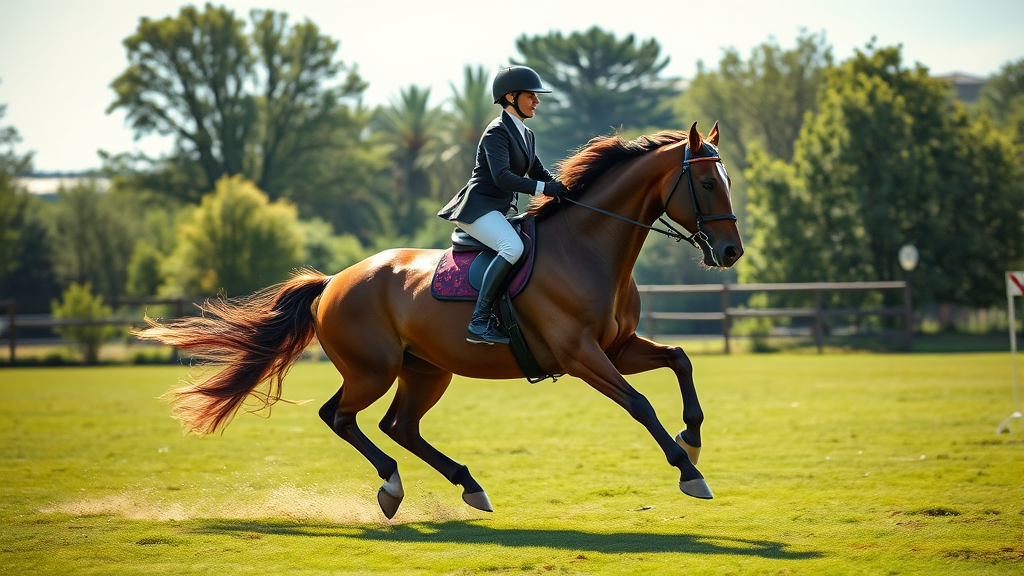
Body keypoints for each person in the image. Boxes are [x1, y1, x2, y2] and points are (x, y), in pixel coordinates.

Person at [438, 66, 569, 345]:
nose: (537, 101)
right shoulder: (496, 132)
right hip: (478, 208)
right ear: (511, 96)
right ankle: (479, 321)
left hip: (498, 211)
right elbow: (502, 177)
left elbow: (539, 173)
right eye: (531, 96)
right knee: (513, 247)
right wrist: (545, 189)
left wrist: (567, 189)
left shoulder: (526, 134)